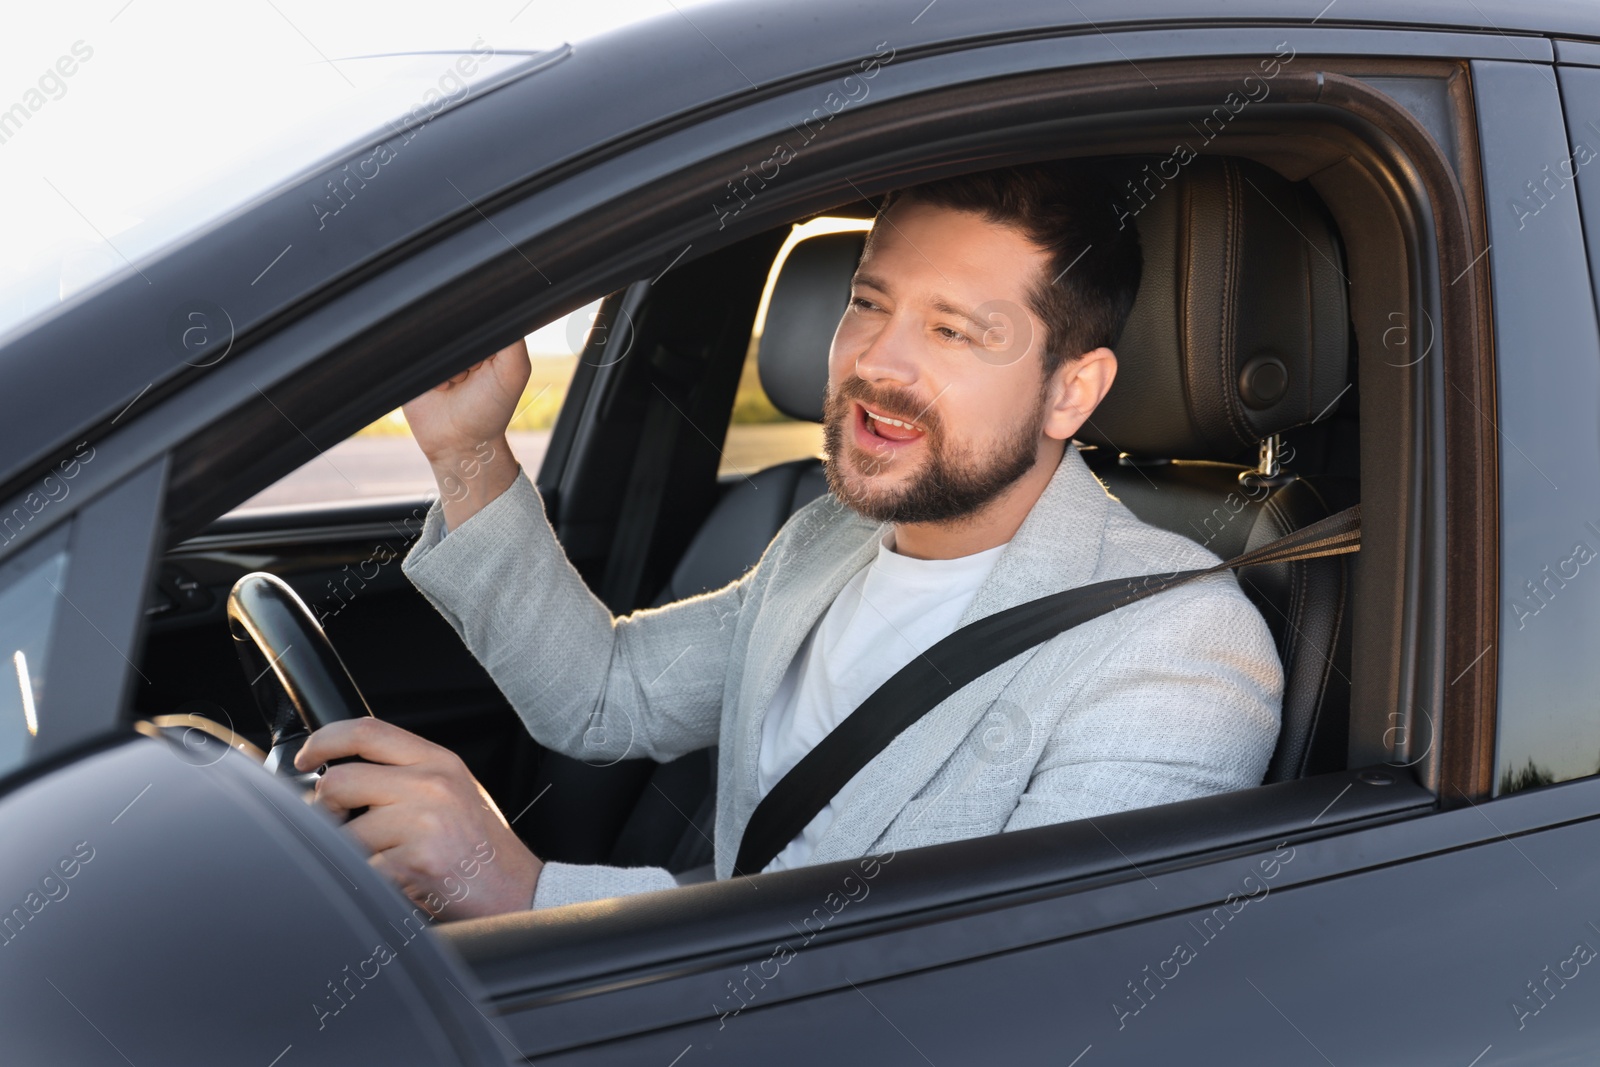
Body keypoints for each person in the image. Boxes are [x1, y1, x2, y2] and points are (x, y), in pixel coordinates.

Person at [293, 163, 1283, 917]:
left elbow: (986, 1003)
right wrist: (470, 452)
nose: (876, 360)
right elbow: (599, 697)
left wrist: (523, 887)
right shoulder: (831, 537)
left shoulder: (1179, 644)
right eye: (868, 301)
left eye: (955, 331)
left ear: (1074, 389)